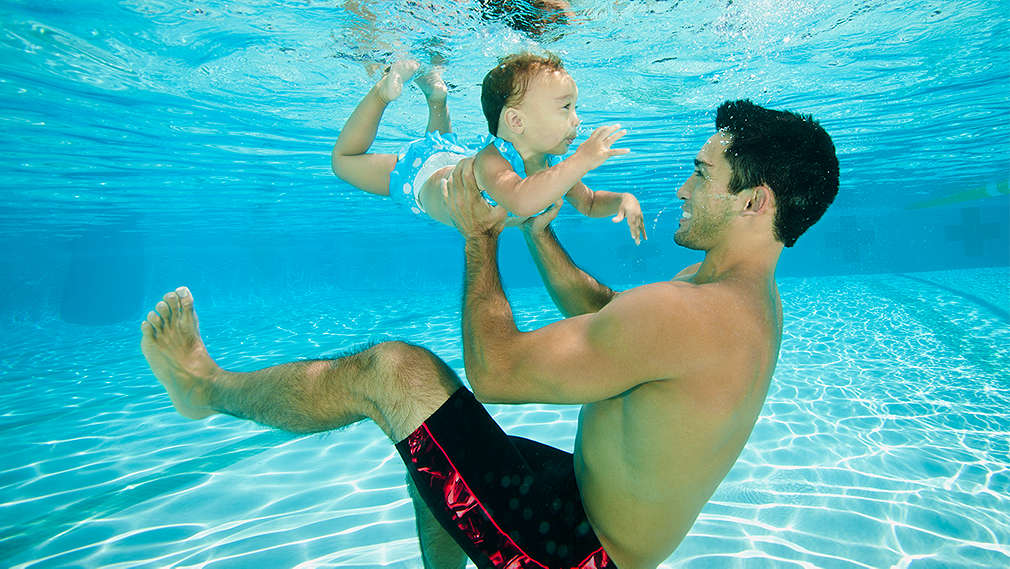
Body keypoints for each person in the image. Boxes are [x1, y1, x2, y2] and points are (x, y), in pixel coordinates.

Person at [141, 99, 839, 568]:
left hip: (571, 552)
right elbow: (612, 317)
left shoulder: (688, 312)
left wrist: (481, 236)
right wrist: (540, 226)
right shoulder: (741, 300)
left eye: (700, 173)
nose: (683, 189)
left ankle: (204, 388)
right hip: (593, 511)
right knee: (435, 452)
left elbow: (496, 372)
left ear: (755, 200)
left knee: (396, 371)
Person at [331, 53, 647, 244]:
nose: (577, 120)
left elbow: (589, 203)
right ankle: (382, 92)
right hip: (417, 177)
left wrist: (623, 200)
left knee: (443, 142)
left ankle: (437, 98)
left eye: (575, 107)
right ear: (517, 121)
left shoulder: (551, 163)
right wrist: (581, 160)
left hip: (453, 159)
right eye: (566, 108)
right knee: (343, 162)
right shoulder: (491, 163)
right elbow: (522, 200)